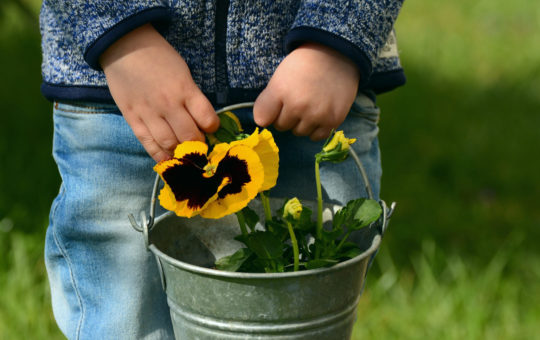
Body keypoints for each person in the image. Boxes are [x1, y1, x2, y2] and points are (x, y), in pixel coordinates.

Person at [40, 1, 405, 339]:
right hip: (125, 88)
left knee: (306, 310)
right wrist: (119, 33)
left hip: (317, 86)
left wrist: (339, 35)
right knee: (123, 318)